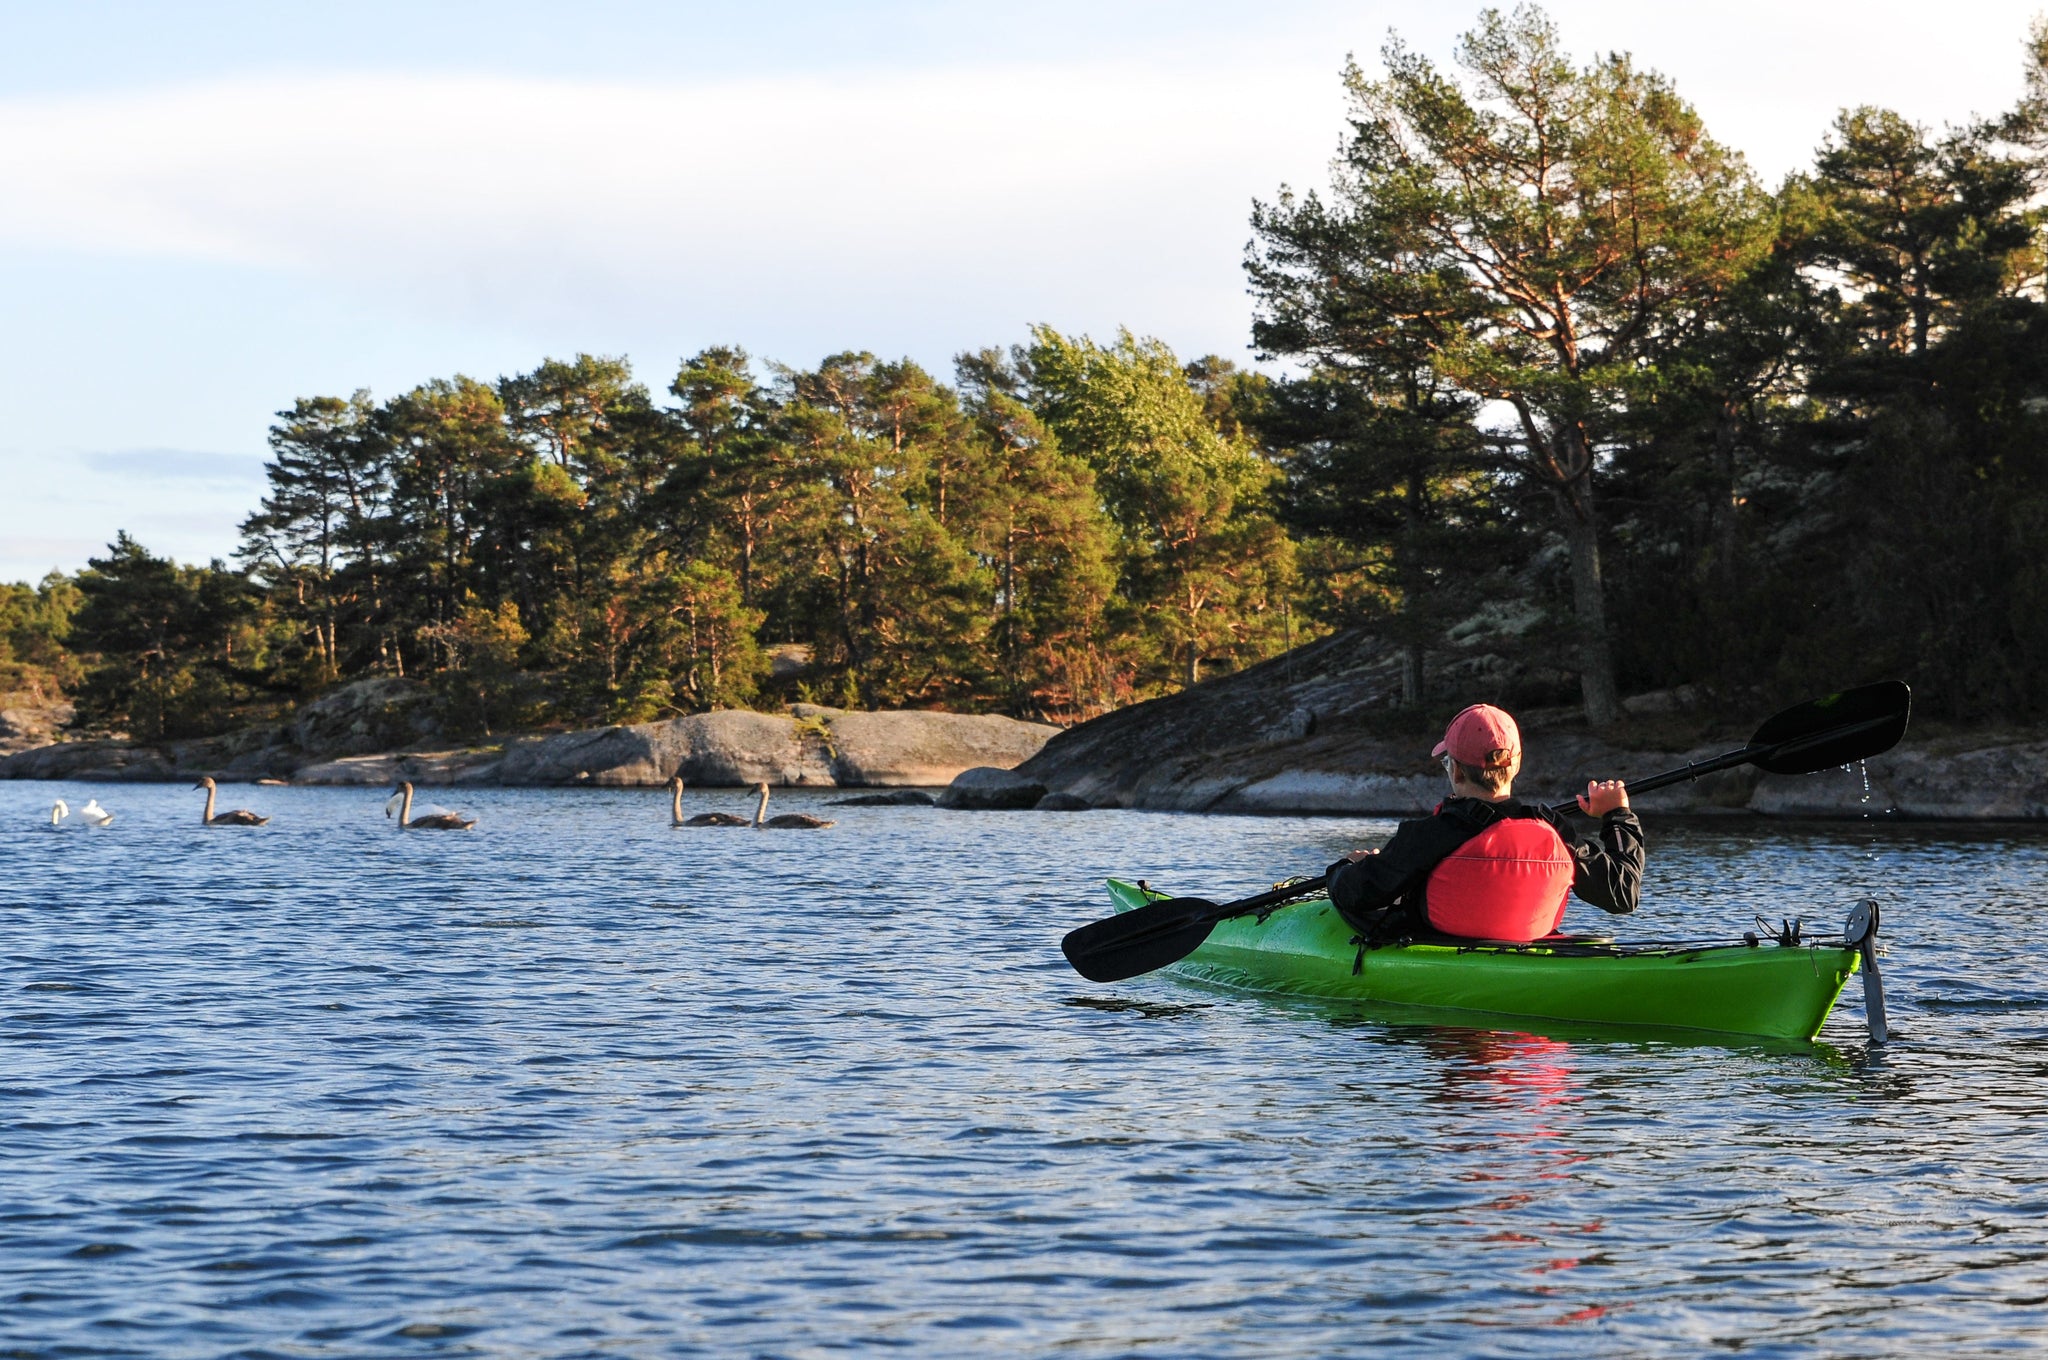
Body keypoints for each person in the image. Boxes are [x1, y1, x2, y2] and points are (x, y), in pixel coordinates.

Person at [1325, 703, 1643, 943]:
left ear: (1457, 772)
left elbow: (1358, 895)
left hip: (1437, 958)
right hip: (1523, 954)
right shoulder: (1556, 830)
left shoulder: (1430, 834)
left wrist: (1346, 869)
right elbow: (1623, 893)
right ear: (1515, 765)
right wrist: (1617, 815)